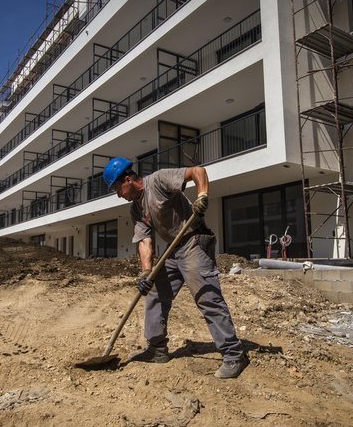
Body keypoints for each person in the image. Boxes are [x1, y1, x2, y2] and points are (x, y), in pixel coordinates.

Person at [103, 156, 249, 379]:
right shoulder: (136, 209)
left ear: (128, 179)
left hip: (193, 241)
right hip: (172, 249)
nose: (118, 195)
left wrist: (202, 196)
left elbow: (197, 171)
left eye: (117, 188)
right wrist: (145, 272)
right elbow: (144, 241)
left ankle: (233, 354)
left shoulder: (158, 180)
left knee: (206, 296)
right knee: (154, 292)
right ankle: (157, 349)